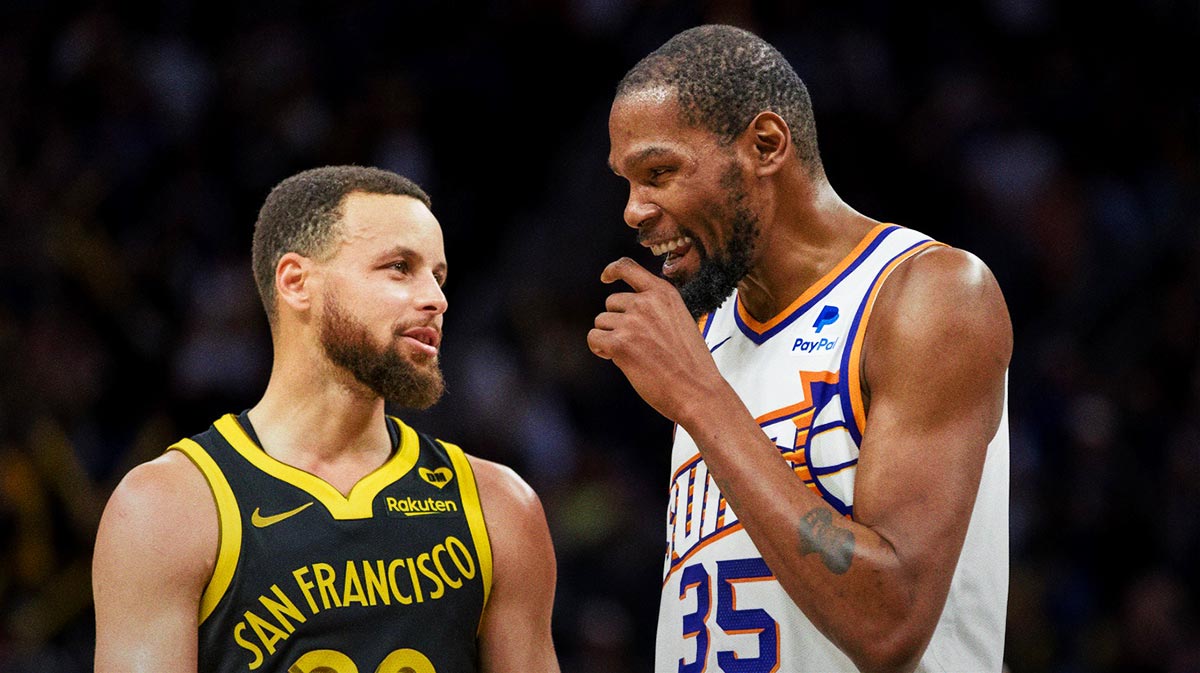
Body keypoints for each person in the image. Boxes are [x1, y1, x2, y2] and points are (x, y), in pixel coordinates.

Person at [589, 25, 1011, 673]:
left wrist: (701, 397)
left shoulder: (929, 294)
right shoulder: (707, 338)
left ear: (765, 145)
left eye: (659, 171)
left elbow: (888, 624)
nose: (633, 210)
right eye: (627, 181)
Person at [93, 165, 560, 673]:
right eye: (400, 267)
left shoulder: (500, 507)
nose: (436, 299)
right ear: (296, 283)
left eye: (438, 275)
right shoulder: (166, 509)